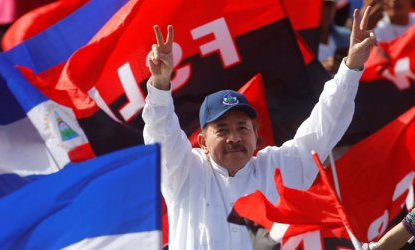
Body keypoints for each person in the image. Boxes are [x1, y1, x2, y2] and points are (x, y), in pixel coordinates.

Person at [142, 7, 377, 250]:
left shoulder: (278, 168)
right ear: (202, 142)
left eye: (242, 128)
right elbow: (161, 132)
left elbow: (325, 124)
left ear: (256, 135)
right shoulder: (184, 172)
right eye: (222, 130)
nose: (234, 137)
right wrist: (160, 84)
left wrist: (351, 67)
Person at [319, 0, 352, 75]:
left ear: (335, 7)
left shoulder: (347, 37)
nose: (323, 11)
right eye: (320, 5)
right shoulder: (298, 40)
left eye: (328, 5)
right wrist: (319, 69)